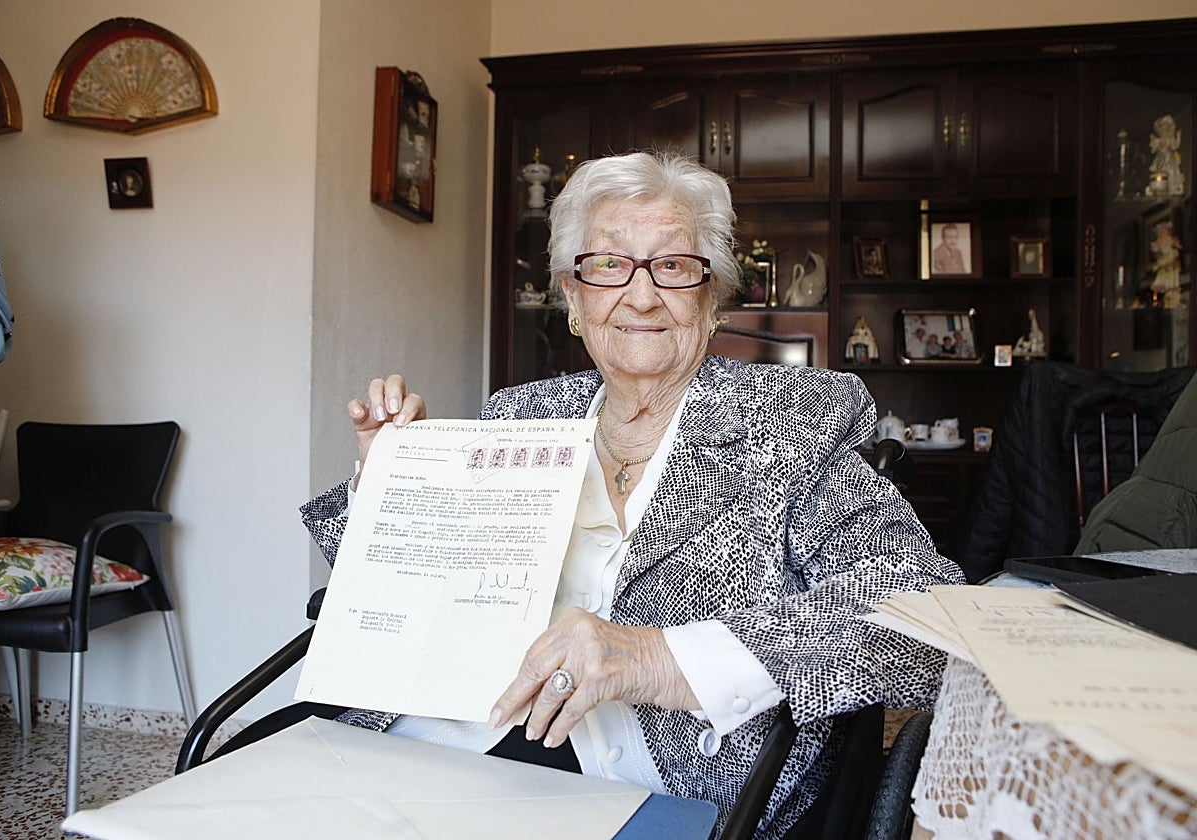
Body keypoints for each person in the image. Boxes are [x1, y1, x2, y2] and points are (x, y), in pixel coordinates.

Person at [300, 151, 964, 839]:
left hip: (656, 785)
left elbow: (921, 615)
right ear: (574, 297)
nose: (640, 296)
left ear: (711, 300)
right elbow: (397, 600)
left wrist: (652, 658)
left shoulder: (793, 422)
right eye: (609, 265)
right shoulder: (518, 418)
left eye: (672, 267)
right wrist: (389, 490)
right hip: (436, 743)